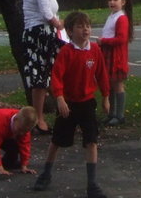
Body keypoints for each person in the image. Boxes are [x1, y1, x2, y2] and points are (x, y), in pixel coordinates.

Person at [32, 10, 110, 198]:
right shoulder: (66, 52)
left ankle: (92, 183)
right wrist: (59, 98)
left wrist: (106, 96)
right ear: (69, 31)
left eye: (88, 26)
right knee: (57, 141)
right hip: (69, 104)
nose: (85, 30)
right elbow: (56, 76)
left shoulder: (94, 50)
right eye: (80, 26)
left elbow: (102, 74)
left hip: (87, 103)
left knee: (91, 141)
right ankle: (46, 173)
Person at [21, 0, 65, 135]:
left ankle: (40, 117)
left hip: (37, 34)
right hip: (40, 35)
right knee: (41, 77)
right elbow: (47, 14)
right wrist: (60, 24)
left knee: (43, 77)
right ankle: (39, 119)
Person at [97, 0, 132, 126]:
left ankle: (119, 115)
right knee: (110, 84)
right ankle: (111, 113)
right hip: (108, 53)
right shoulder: (111, 16)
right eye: (110, 0)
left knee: (117, 84)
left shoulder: (121, 18)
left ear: (123, 2)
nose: (112, 2)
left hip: (116, 56)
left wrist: (103, 41)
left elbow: (121, 39)